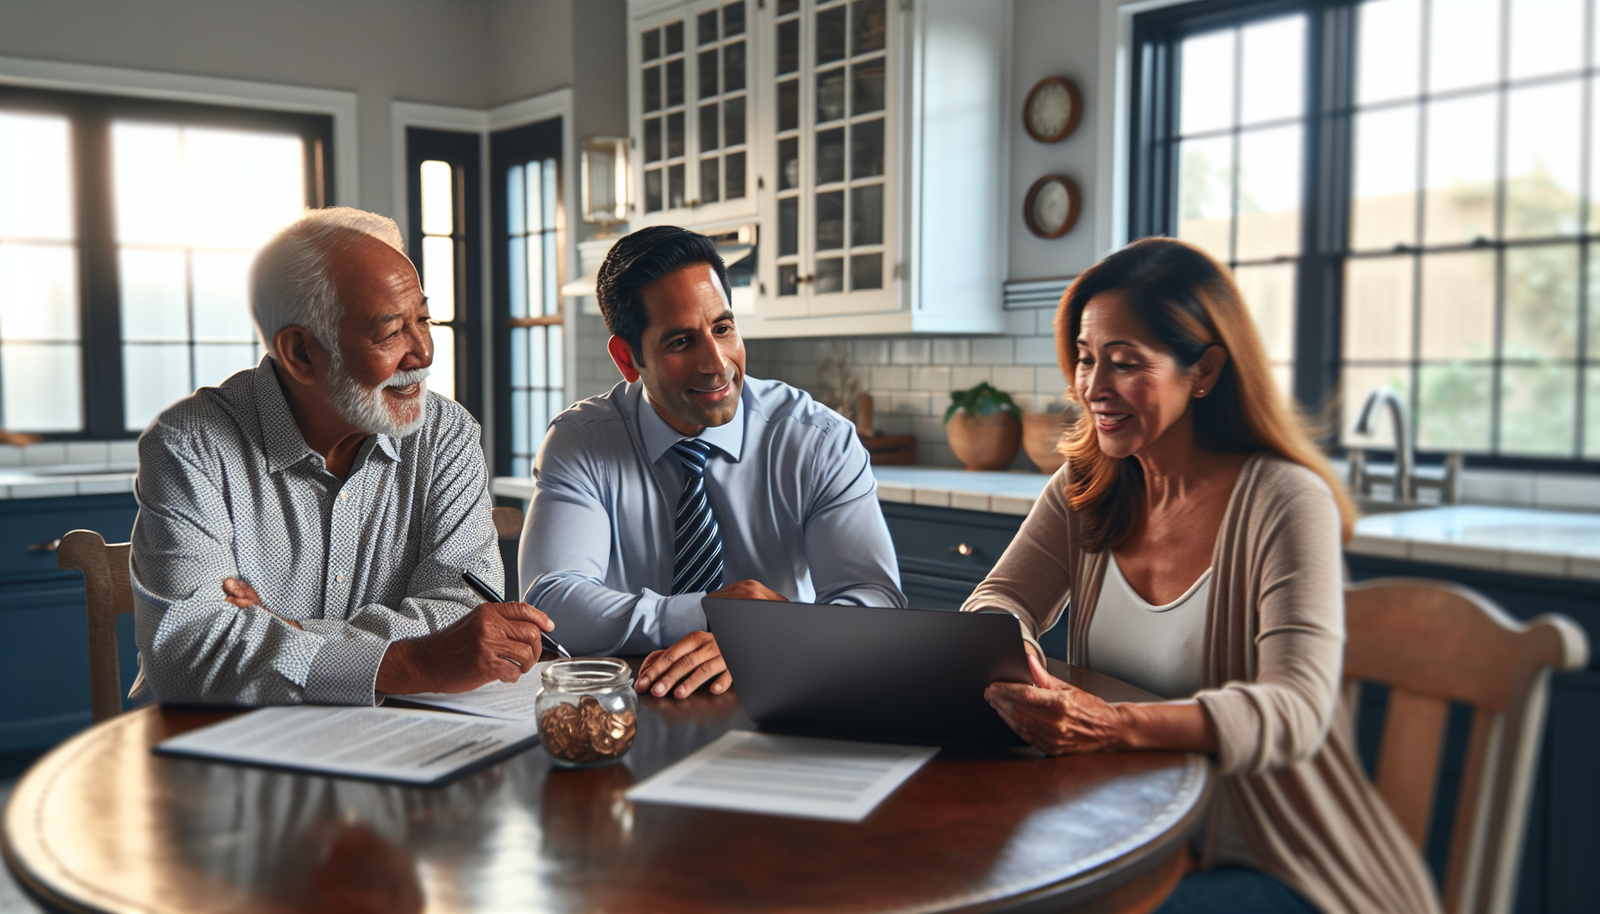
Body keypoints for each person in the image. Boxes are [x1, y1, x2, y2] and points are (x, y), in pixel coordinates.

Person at [964, 237, 1440, 914]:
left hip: (1278, 862)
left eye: (1125, 364)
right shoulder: (1088, 484)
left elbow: (1296, 709)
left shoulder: (1283, 500)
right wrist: (1007, 643)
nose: (1092, 388)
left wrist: (1113, 724)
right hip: (1124, 831)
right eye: (1086, 358)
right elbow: (1001, 596)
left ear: (1206, 369)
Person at [131, 207, 555, 706]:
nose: (424, 352)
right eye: (392, 330)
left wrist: (278, 629)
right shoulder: (190, 444)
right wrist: (412, 662)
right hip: (220, 745)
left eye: (425, 319)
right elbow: (191, 653)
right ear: (301, 354)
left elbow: (459, 614)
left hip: (391, 732)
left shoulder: (447, 434)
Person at [518, 225, 904, 699]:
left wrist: (769, 633)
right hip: (639, 704)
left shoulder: (818, 441)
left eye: (723, 328)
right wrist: (714, 613)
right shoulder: (582, 441)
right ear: (626, 357)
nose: (717, 362)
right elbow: (553, 603)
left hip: (789, 689)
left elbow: (876, 604)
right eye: (681, 342)